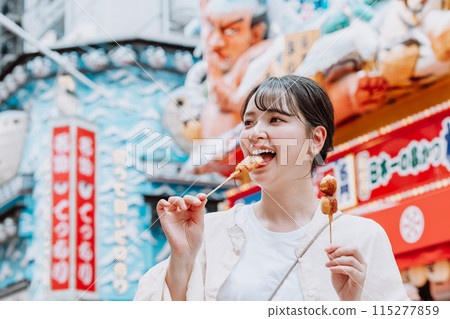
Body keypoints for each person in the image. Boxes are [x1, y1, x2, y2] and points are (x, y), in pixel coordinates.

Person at [134, 75, 409, 301]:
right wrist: (181, 259)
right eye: (249, 122)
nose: (254, 133)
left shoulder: (362, 237)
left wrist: (351, 306)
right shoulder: (209, 232)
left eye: (275, 119)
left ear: (315, 139)